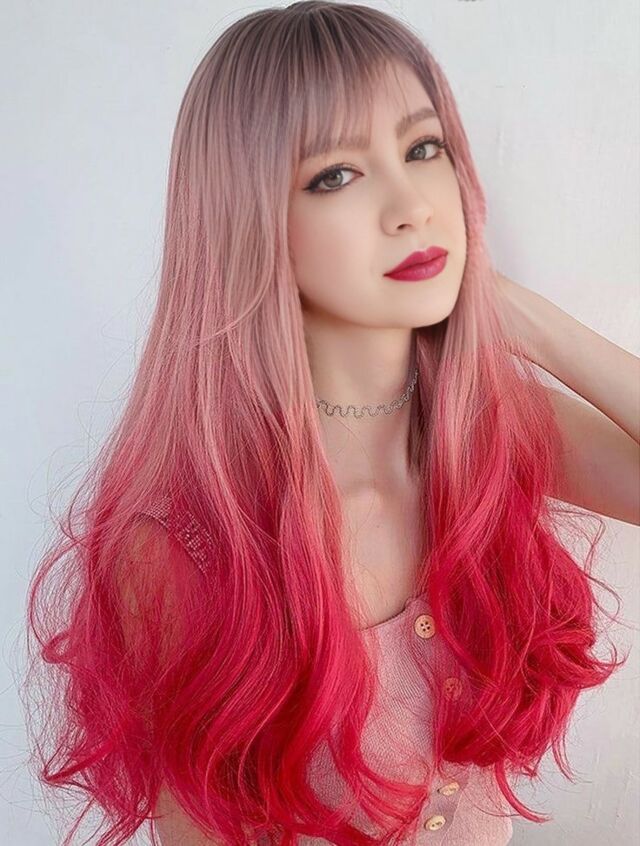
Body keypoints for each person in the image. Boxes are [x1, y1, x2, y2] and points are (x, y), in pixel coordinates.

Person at [23, 2, 639, 845]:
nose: (412, 206)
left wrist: (525, 319)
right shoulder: (182, 547)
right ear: (249, 222)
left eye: (423, 149)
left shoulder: (491, 429)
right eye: (336, 175)